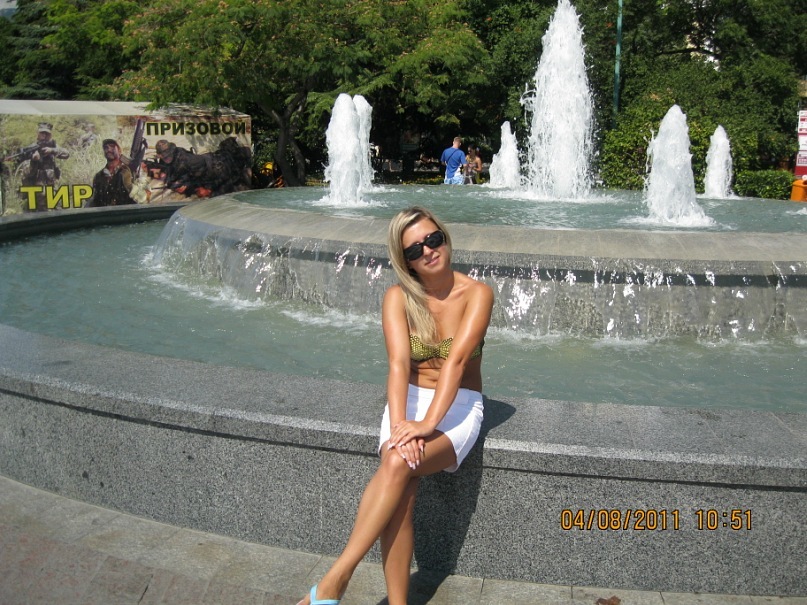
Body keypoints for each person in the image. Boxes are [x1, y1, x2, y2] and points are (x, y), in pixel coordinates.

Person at [297, 206, 494, 605]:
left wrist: (427, 425)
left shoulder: (477, 294)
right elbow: (399, 365)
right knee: (399, 472)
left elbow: (456, 362)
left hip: (459, 404)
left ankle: (336, 579)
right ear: (405, 261)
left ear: (445, 238)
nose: (428, 251)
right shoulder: (397, 297)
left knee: (397, 464)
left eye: (433, 239)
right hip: (409, 400)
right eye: (415, 249)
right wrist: (403, 422)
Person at [16, 123, 70, 212]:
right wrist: (34, 160)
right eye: (42, 133)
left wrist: (52, 150)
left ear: (50, 135)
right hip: (36, 189)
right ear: (37, 134)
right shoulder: (32, 149)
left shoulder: (52, 145)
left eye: (47, 133)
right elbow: (28, 173)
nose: (44, 136)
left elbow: (66, 154)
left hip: (52, 186)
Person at [86, 139, 135, 207]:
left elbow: (139, 198)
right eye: (106, 147)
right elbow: (95, 200)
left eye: (112, 146)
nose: (108, 149)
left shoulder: (129, 171)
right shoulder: (99, 176)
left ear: (119, 150)